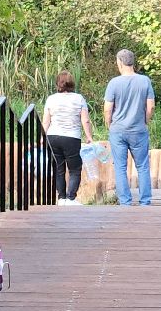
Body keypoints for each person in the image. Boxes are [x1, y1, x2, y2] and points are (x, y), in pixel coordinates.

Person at [101, 48, 154, 206]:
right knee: (143, 166)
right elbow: (150, 107)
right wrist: (145, 121)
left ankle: (125, 202)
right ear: (132, 62)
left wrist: (109, 124)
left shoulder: (114, 83)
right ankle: (145, 201)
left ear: (120, 62)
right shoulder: (145, 81)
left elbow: (107, 108)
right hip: (139, 130)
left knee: (120, 167)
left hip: (118, 130)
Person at [41, 71, 94, 204]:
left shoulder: (51, 99)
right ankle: (71, 198)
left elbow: (46, 121)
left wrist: (42, 136)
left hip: (53, 137)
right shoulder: (79, 98)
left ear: (58, 83)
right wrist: (89, 137)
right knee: (75, 169)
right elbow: (85, 120)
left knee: (58, 169)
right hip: (72, 137)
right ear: (72, 82)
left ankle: (61, 198)